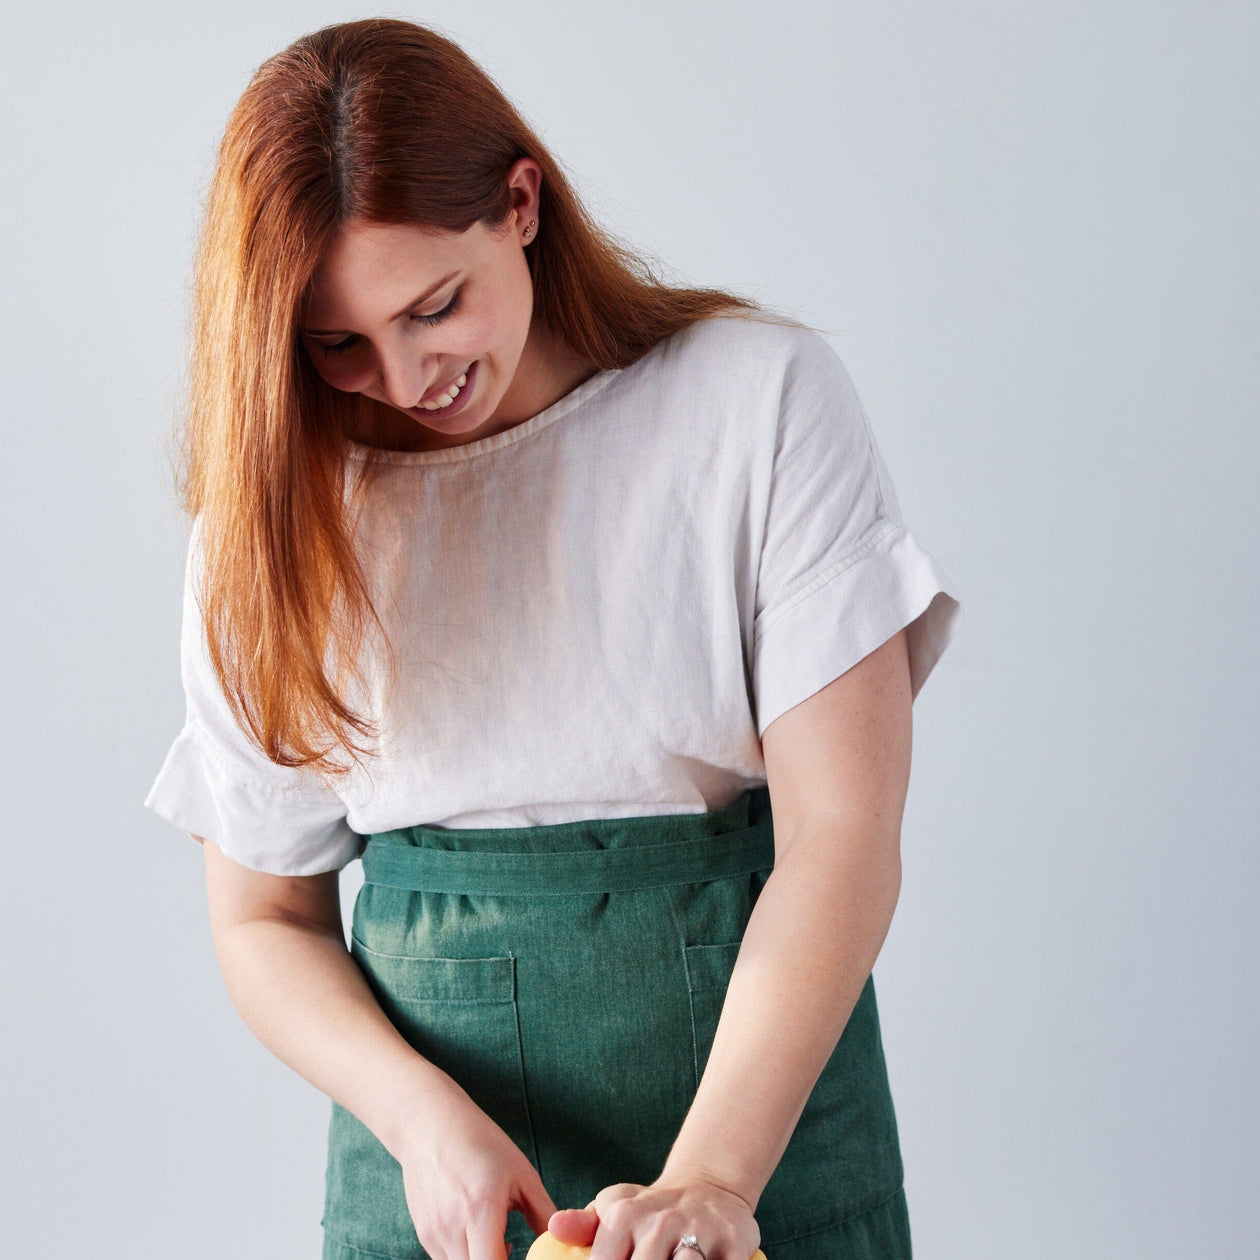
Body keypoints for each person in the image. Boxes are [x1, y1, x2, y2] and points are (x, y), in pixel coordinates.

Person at [143, 17, 963, 1260]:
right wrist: (422, 1122)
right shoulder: (272, 517)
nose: (412, 374)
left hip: (760, 1143)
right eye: (340, 345)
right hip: (438, 1176)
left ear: (521, 204)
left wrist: (712, 1185)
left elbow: (844, 836)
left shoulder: (755, 402)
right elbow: (266, 919)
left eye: (436, 306)